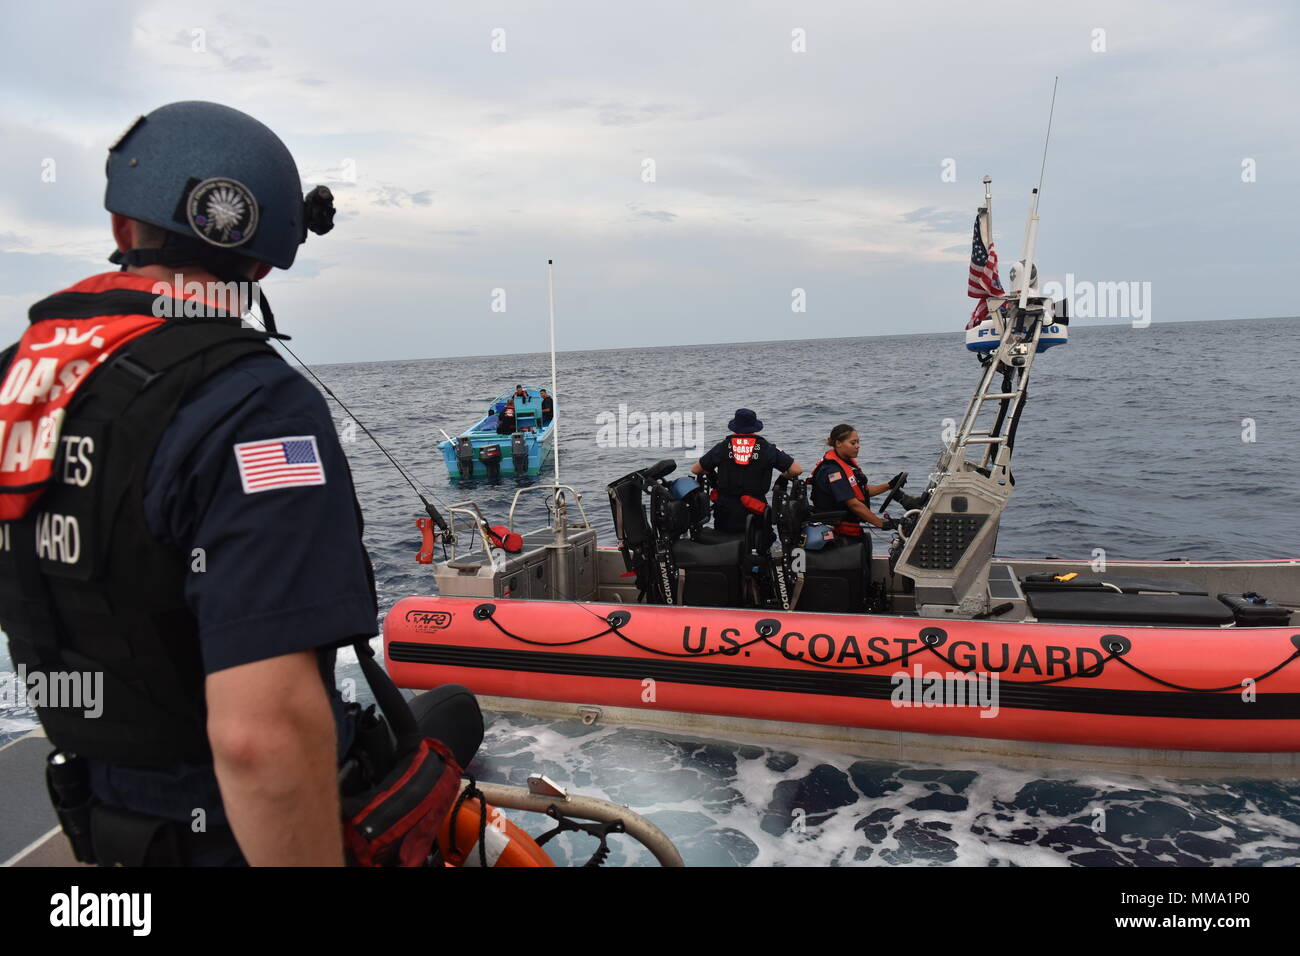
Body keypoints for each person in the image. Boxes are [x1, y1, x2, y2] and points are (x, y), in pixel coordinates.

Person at [0, 101, 481, 866]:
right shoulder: (252, 402)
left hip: (103, 820)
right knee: (456, 714)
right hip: (228, 836)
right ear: (263, 262)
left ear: (123, 228)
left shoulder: (21, 380)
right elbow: (260, 738)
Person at [691, 408, 801, 533]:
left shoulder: (722, 447)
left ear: (735, 427)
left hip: (725, 514)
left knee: (724, 542)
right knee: (759, 540)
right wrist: (783, 477)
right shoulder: (766, 448)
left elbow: (696, 469)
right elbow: (796, 470)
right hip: (756, 510)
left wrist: (712, 474)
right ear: (755, 427)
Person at [809, 424, 923, 539]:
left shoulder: (845, 464)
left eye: (858, 442)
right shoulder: (833, 471)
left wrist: (889, 485)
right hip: (839, 528)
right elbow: (854, 504)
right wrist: (882, 524)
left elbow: (862, 492)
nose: (858, 446)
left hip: (848, 524)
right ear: (838, 443)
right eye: (853, 443)